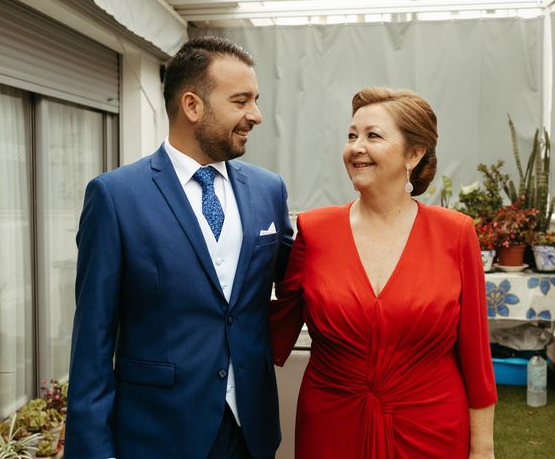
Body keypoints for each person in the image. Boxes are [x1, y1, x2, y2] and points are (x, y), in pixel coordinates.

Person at [63, 36, 293, 459]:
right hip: (157, 436)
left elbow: (302, 281)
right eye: (241, 101)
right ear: (192, 106)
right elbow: (93, 340)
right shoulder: (115, 198)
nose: (256, 116)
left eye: (256, 100)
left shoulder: (268, 190)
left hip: (251, 433)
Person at [270, 87, 497, 458]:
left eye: (372, 136)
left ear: (414, 153)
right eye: (351, 136)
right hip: (331, 426)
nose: (356, 147)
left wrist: (483, 448)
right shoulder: (314, 230)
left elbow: (476, 353)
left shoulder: (455, 233)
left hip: (432, 428)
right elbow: (273, 324)